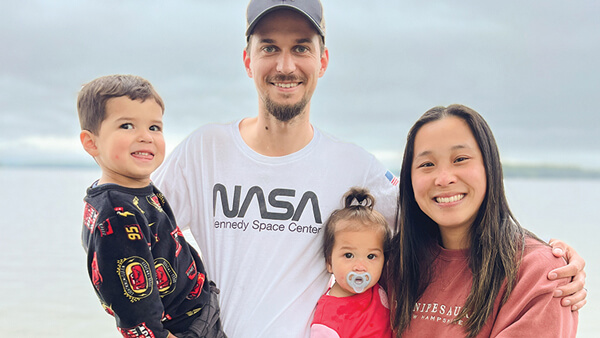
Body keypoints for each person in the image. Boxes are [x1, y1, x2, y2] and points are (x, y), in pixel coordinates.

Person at [153, 1, 586, 336]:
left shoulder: (355, 167)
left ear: (322, 61)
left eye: (301, 48)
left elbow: (442, 214)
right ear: (248, 60)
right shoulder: (203, 150)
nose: (286, 65)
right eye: (269, 47)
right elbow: (129, 236)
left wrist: (550, 257)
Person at [388, 104, 578, 337]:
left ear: (489, 167)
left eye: (460, 159)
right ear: (409, 179)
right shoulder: (393, 264)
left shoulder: (539, 273)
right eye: (427, 164)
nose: (444, 178)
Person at [77, 74, 226, 338]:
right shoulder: (117, 215)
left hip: (200, 311)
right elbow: (136, 314)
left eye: (154, 128)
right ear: (92, 142)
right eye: (126, 126)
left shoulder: (139, 188)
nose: (145, 137)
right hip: (181, 330)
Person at [310, 187, 393, 337]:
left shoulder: (380, 289)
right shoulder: (327, 319)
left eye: (371, 256)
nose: (360, 267)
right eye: (348, 255)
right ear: (329, 262)